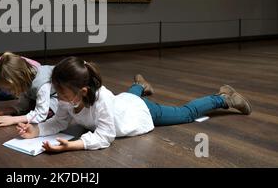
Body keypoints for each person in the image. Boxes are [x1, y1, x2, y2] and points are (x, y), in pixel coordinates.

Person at [17, 57, 252, 153]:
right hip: (123, 103)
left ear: (83, 91)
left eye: (63, 93)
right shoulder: (70, 98)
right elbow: (58, 121)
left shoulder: (102, 100)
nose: (60, 97)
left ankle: (223, 97)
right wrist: (36, 130)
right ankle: (138, 86)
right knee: (128, 97)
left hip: (138, 112)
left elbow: (105, 136)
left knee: (186, 114)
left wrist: (72, 146)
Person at [0, 52, 58, 127]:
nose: (9, 92)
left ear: (19, 79)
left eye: (10, 89)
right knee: (29, 107)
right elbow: (23, 103)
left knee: (47, 112)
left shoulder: (42, 84)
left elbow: (41, 114)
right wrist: (12, 109)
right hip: (43, 94)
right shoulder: (25, 81)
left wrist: (12, 120)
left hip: (59, 96)